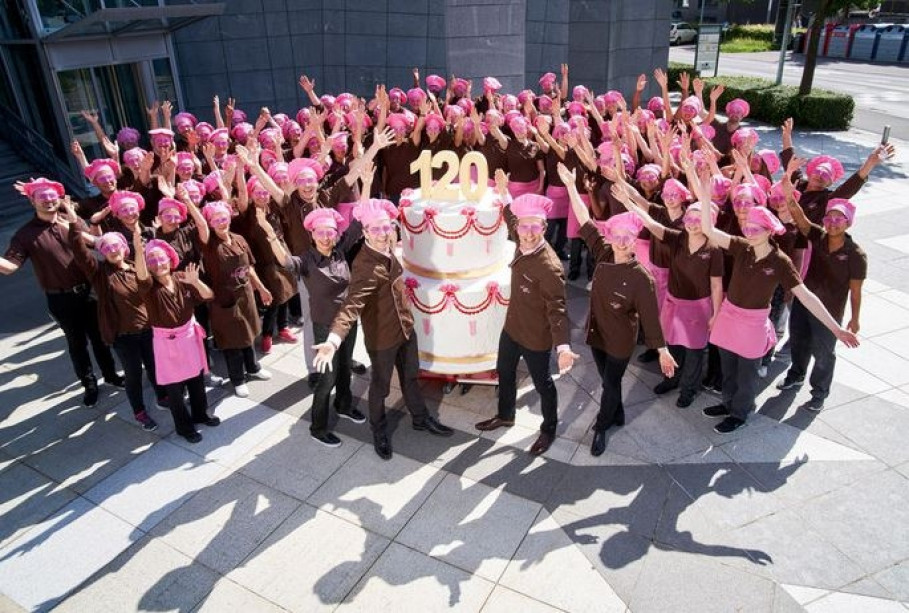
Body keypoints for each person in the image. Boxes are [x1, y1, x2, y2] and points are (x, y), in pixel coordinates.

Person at [695, 172, 859, 434]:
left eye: (756, 228)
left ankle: (739, 413)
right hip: (729, 316)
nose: (750, 231)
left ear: (769, 230)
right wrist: (704, 196)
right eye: (748, 227)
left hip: (753, 323)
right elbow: (708, 229)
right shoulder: (741, 246)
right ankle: (727, 403)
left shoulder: (779, 260)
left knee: (746, 374)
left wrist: (836, 329)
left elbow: (806, 295)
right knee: (728, 369)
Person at [313, 198, 453, 460]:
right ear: (364, 232)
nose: (382, 234)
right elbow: (351, 306)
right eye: (375, 230)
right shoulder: (366, 266)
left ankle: (420, 418)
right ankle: (378, 431)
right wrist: (333, 340)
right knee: (381, 387)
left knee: (411, 376)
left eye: (386, 227)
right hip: (382, 340)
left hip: (405, 331)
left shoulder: (390, 251)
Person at [559, 164, 675, 456]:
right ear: (609, 236)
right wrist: (572, 186)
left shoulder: (641, 276)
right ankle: (619, 411)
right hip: (597, 334)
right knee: (608, 381)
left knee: (610, 381)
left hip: (621, 341)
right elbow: (585, 219)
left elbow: (649, 316)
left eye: (628, 237)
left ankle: (601, 427)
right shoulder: (602, 251)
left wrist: (661, 350)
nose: (622, 242)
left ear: (634, 240)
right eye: (617, 235)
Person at [474, 170, 577, 456]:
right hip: (512, 328)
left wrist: (563, 347)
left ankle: (549, 429)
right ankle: (506, 414)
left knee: (543, 385)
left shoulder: (550, 267)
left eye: (536, 227)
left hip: (536, 337)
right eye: (524, 227)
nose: (528, 233)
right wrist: (504, 189)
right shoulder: (521, 238)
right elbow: (509, 216)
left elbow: (558, 310)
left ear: (544, 228)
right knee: (504, 372)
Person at [1, 178, 122, 406]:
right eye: (42, 198)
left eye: (51, 197)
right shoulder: (25, 235)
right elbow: (10, 267)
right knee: (77, 344)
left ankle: (111, 375)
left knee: (101, 338)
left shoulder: (70, 221)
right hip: (61, 298)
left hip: (90, 292)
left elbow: (96, 243)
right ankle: (89, 384)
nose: (48, 201)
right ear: (32, 201)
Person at [777, 163, 866, 412]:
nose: (834, 223)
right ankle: (795, 376)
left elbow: (856, 291)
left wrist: (855, 319)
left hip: (830, 311)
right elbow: (800, 219)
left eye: (840, 219)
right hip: (805, 302)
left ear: (848, 223)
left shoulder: (856, 254)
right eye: (830, 218)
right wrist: (787, 192)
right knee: (799, 341)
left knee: (824, 352)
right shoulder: (818, 235)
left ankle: (819, 393)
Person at [283, 206, 368, 447]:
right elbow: (285, 262)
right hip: (324, 327)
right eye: (321, 232)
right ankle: (317, 427)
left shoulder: (340, 251)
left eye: (330, 232)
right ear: (312, 234)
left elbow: (357, 222)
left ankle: (343, 405)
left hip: (348, 321)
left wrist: (367, 183)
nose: (326, 237)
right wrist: (269, 231)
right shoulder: (306, 261)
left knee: (344, 366)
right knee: (327, 378)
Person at [69, 224, 166, 430]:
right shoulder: (99, 273)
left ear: (124, 248)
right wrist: (73, 225)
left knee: (154, 367)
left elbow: (147, 284)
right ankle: (139, 412)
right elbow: (79, 252)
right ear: (102, 252)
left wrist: (140, 249)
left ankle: (162, 396)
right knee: (133, 375)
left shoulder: (134, 267)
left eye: (116, 246)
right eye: (107, 248)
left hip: (148, 330)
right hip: (123, 336)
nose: (113, 251)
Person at [136, 238, 219, 443]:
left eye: (161, 258)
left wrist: (195, 282)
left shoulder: (182, 277)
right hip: (166, 342)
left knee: (196, 380)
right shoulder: (148, 287)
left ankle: (201, 414)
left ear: (169, 259)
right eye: (152, 261)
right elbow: (141, 276)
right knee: (174, 388)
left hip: (189, 336)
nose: (158, 264)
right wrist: (139, 250)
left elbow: (209, 296)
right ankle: (184, 427)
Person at [199, 201, 274, 397]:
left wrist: (261, 288)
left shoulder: (239, 239)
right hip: (225, 299)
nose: (222, 223)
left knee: (248, 333)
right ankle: (237, 379)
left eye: (224, 218)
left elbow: (249, 268)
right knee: (232, 340)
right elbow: (200, 225)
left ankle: (253, 367)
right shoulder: (209, 245)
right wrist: (189, 202)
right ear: (210, 223)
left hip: (245, 295)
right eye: (216, 220)